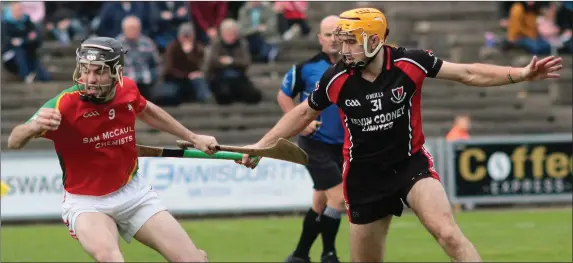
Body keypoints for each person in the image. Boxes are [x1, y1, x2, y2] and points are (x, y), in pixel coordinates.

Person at [235, 7, 563, 262]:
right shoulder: (335, 78)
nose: (341, 48)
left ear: (374, 41)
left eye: (350, 40)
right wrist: (262, 146)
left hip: (410, 165)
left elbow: (467, 72)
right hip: (363, 176)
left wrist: (520, 74)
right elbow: (303, 112)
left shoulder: (410, 63)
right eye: (341, 39)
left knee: (448, 233)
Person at [6, 37, 217, 262]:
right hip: (87, 202)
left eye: (99, 72)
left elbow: (146, 110)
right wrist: (33, 127)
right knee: (111, 259)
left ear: (117, 72)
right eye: (85, 71)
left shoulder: (127, 89)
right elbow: (14, 141)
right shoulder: (65, 104)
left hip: (133, 193)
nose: (90, 79)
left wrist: (193, 137)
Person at [278, 15, 344, 263]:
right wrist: (300, 123)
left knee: (320, 201)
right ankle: (329, 255)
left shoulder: (356, 67)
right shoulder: (306, 68)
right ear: (320, 39)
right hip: (316, 144)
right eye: (328, 34)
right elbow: (284, 96)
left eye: (338, 33)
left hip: (345, 146)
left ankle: (300, 255)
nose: (334, 39)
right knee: (338, 198)